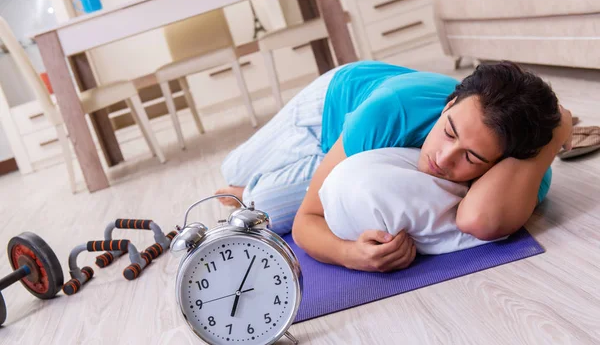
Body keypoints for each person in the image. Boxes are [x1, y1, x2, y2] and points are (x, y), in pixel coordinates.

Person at [217, 60, 573, 272]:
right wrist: (348, 254)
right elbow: (306, 222)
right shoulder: (390, 111)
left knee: (265, 204)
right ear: (449, 104)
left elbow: (484, 218)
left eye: (472, 158)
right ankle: (241, 188)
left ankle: (258, 189)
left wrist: (556, 131)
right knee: (247, 185)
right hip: (333, 106)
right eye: (448, 132)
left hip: (366, 147)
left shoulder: (521, 167)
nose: (443, 159)